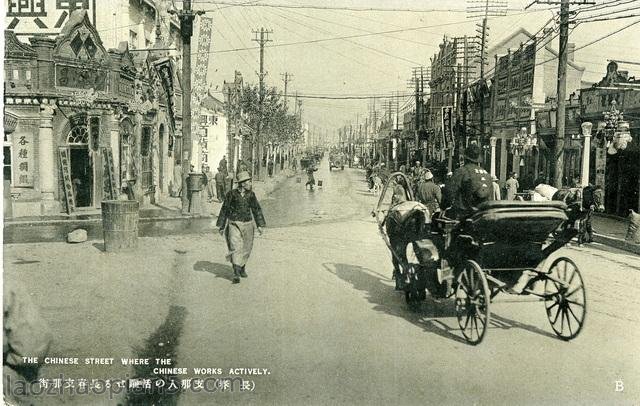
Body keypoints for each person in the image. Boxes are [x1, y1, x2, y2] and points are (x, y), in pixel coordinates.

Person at [217, 171, 266, 284]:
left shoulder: (251, 195)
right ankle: (236, 273)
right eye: (249, 181)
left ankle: (242, 267)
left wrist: (259, 225)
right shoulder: (231, 194)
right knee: (235, 247)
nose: (250, 183)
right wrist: (221, 225)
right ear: (243, 183)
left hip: (248, 224)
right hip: (234, 223)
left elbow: (256, 209)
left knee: (247, 247)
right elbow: (225, 209)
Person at [442, 144, 494, 219]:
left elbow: (449, 192)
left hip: (464, 215)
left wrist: (443, 206)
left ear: (465, 158)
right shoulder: (487, 174)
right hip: (483, 215)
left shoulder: (462, 171)